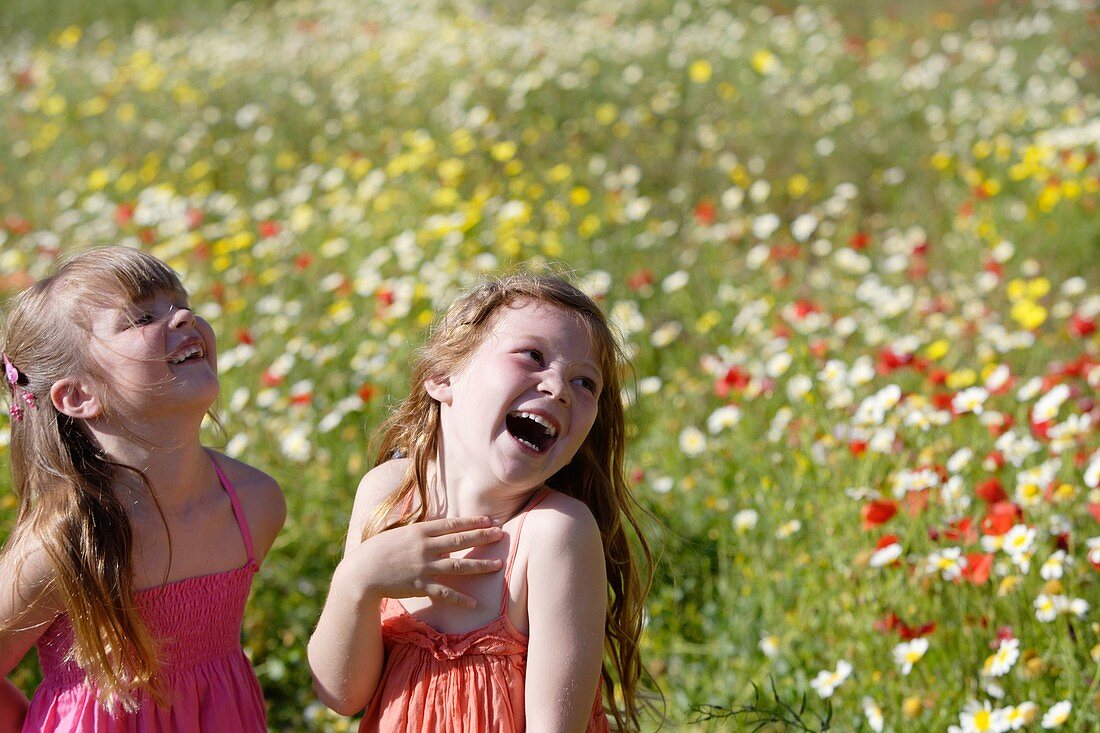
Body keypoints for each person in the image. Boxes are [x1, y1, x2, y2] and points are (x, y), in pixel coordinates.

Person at [308, 273, 653, 731]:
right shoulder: (387, 495)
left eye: (585, 382)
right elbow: (341, 694)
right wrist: (358, 581)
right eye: (533, 356)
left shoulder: (554, 533)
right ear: (442, 376)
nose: (558, 388)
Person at [0, 246, 285, 732]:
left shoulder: (255, 502)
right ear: (78, 395)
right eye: (141, 318)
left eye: (181, 302)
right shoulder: (68, 541)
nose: (183, 318)